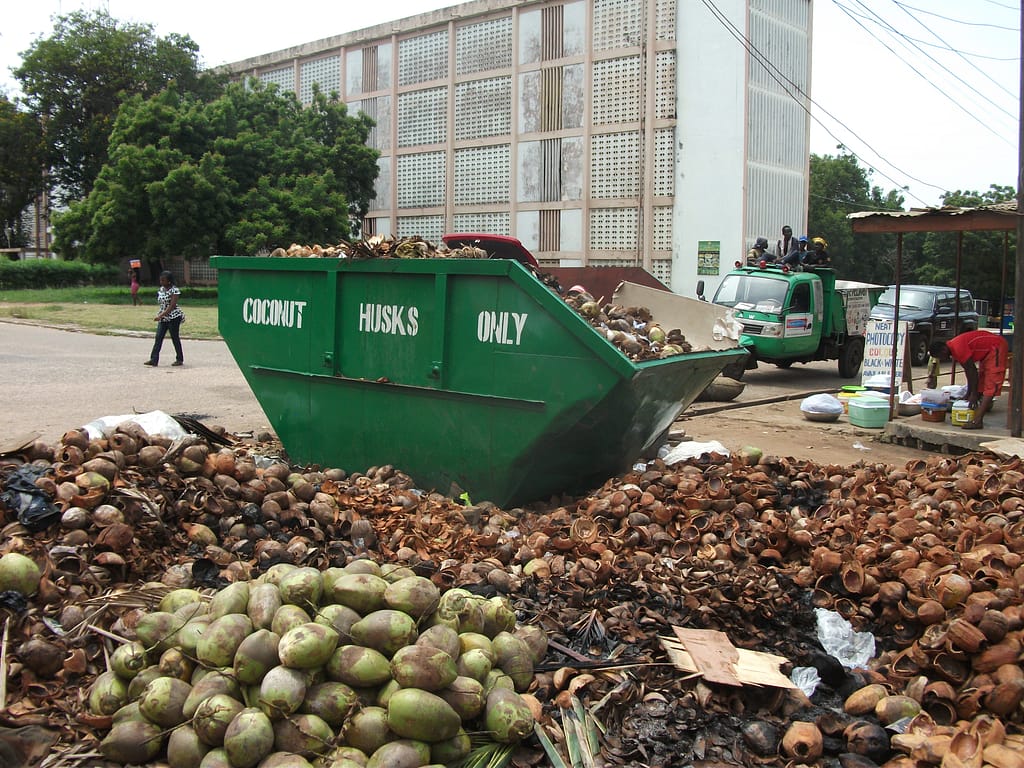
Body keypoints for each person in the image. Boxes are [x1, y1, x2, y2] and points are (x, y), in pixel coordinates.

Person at [928, 331, 1009, 429]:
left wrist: (973, 395)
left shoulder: (957, 348)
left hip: (996, 347)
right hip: (987, 353)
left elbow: (972, 371)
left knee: (991, 384)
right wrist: (968, 393)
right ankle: (974, 413)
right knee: (982, 382)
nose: (942, 359)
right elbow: (969, 372)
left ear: (944, 350)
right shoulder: (954, 348)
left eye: (940, 357)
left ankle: (978, 421)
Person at [145, 271, 185, 367]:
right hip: (163, 318)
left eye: (163, 280)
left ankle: (179, 359)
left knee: (175, 337)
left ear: (169, 281)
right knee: (158, 337)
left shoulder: (174, 290)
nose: (161, 281)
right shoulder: (161, 289)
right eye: (160, 280)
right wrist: (161, 315)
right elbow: (162, 304)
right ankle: (154, 359)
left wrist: (160, 316)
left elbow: (172, 306)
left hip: (173, 317)